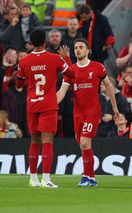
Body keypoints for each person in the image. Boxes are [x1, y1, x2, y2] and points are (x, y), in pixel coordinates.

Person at [16, 28, 75, 188]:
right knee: (47, 142)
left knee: (34, 142)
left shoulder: (24, 61)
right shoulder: (54, 59)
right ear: (45, 41)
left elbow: (19, 84)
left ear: (31, 43)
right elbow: (72, 74)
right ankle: (46, 179)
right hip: (48, 105)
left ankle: (33, 179)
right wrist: (66, 58)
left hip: (32, 105)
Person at [57, 38, 119, 187]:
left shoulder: (97, 67)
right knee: (83, 145)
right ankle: (91, 177)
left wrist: (115, 108)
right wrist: (49, 104)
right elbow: (62, 92)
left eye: (81, 47)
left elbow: (109, 86)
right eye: (76, 48)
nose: (78, 49)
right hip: (78, 113)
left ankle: (86, 176)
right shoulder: (71, 71)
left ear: (87, 51)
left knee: (85, 142)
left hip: (93, 111)